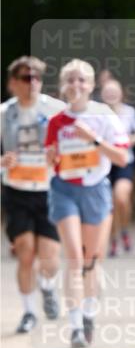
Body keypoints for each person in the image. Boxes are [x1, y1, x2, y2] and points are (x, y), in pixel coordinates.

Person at [45, 59, 129, 348]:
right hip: (64, 189)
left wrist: (92, 140)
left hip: (96, 190)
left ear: (91, 85)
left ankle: (90, 312)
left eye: (82, 80)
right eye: (70, 80)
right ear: (63, 86)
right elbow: (51, 161)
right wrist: (50, 157)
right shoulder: (56, 121)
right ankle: (76, 326)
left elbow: (122, 158)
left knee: (92, 260)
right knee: (74, 259)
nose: (76, 85)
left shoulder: (104, 116)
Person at [1, 56, 65, 332]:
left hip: (50, 191)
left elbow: (75, 146)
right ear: (12, 84)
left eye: (38, 78)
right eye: (27, 78)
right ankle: (28, 312)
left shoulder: (56, 110)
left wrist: (59, 155)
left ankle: (48, 287)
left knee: (49, 259)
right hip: (17, 191)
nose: (33, 83)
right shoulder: (3, 113)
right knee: (25, 253)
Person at [100, 77, 135, 256]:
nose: (111, 94)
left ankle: (124, 229)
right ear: (102, 95)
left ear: (121, 94)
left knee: (121, 198)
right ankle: (112, 240)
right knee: (108, 204)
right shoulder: (97, 113)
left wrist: (128, 141)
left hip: (125, 161)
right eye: (107, 91)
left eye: (114, 91)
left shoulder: (129, 112)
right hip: (104, 163)